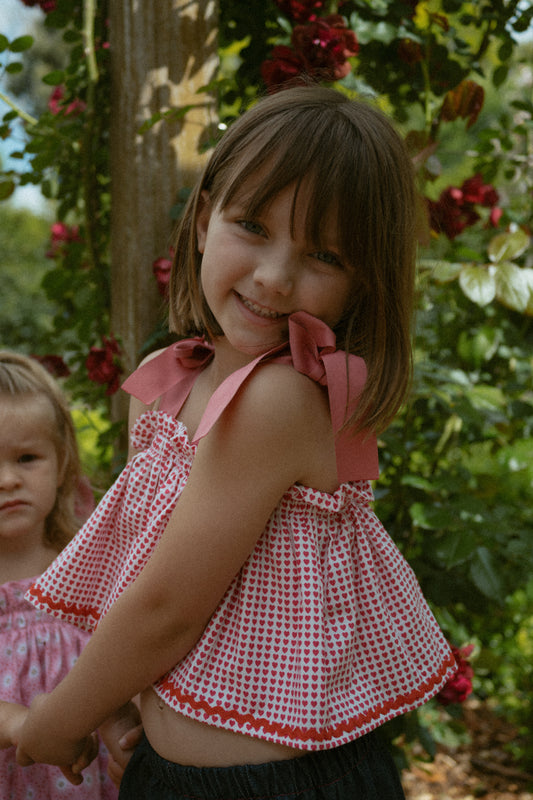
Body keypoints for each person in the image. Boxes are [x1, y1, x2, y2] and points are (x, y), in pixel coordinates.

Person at [12, 86, 457, 799]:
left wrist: (58, 720)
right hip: (171, 773)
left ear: (362, 283)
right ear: (202, 219)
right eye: (251, 225)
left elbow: (167, 610)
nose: (275, 278)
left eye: (325, 256)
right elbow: (142, 578)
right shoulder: (170, 381)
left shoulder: (277, 400)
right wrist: (127, 708)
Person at [0, 350, 122, 798]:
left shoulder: (85, 563)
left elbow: (121, 654)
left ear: (61, 464)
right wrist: (17, 723)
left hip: (91, 775)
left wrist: (124, 721)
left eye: (27, 458)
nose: (7, 480)